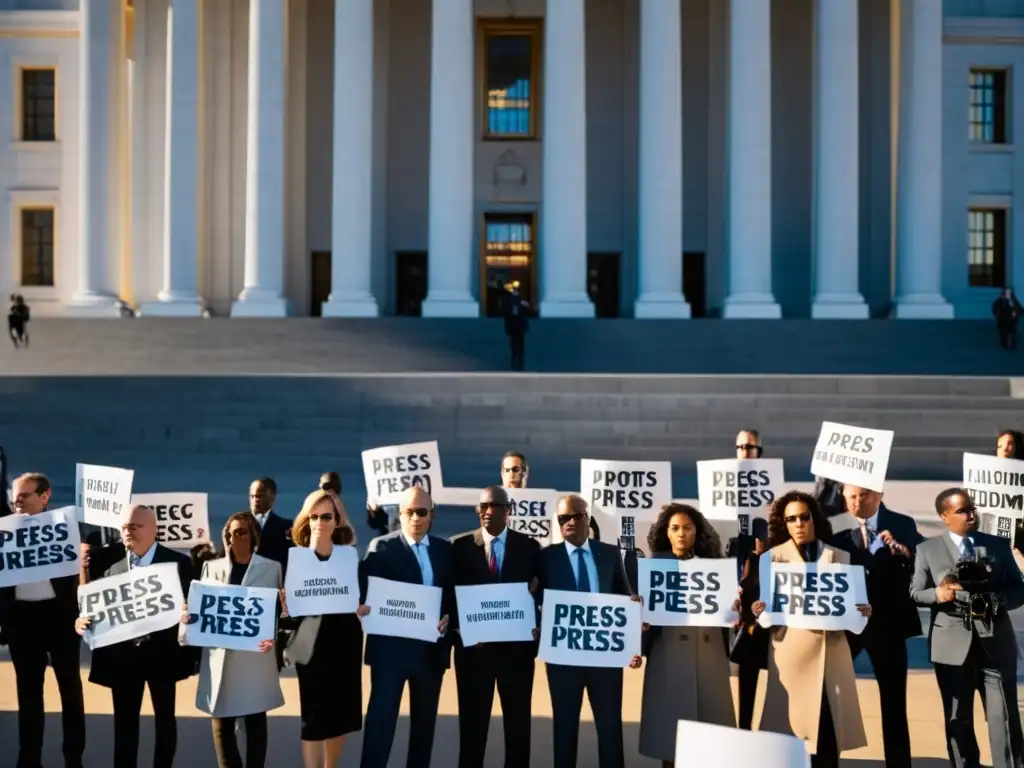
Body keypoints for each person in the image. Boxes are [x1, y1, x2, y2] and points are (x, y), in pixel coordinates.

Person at [748, 491, 870, 768]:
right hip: (792, 654)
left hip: (833, 654)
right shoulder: (772, 558)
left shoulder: (839, 556)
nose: (799, 523)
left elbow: (852, 604)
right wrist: (760, 609)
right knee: (791, 730)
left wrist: (864, 610)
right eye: (791, 519)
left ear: (814, 518)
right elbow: (768, 610)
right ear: (784, 524)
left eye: (804, 516)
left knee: (829, 727)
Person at [75, 505, 197, 768]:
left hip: (162, 656)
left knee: (165, 721)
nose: (128, 532)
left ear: (154, 530)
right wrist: (81, 621)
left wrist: (188, 612)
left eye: (135, 526)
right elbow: (95, 611)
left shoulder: (178, 563)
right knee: (124, 725)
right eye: (124, 527)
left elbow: (194, 611)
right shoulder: (111, 566)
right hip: (124, 658)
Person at [910, 487, 1024, 768]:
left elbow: (1019, 588)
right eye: (962, 510)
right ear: (944, 516)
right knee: (957, 717)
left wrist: (999, 600)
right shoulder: (928, 549)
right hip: (950, 647)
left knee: (1004, 717)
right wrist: (938, 595)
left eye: (972, 508)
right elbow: (915, 592)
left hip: (995, 643)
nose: (970, 515)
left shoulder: (997, 544)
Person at [534, 494, 641, 768]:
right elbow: (532, 601)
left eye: (575, 516)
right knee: (565, 730)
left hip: (603, 660)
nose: (569, 522)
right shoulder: (545, 558)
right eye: (562, 519)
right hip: (563, 662)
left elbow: (623, 600)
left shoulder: (609, 554)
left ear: (587, 518)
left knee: (609, 731)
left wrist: (631, 644)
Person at [358, 486, 454, 768]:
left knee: (424, 733)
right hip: (391, 656)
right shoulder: (381, 548)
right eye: (409, 512)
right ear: (399, 515)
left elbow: (450, 594)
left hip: (430, 655)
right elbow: (367, 594)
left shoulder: (444, 550)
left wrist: (448, 617)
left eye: (422, 512)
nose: (416, 518)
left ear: (432, 514)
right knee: (379, 727)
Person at [449, 486, 541, 768]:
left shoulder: (529, 547)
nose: (487, 511)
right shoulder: (460, 546)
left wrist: (535, 620)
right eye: (482, 506)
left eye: (494, 506)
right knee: (472, 733)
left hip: (517, 656)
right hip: (474, 656)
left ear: (507, 511)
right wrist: (459, 628)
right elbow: (448, 596)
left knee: (517, 732)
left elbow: (541, 594)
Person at [830, 484, 921, 767]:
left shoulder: (902, 524)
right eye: (851, 497)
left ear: (879, 494)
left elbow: (921, 565)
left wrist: (903, 552)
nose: (858, 501)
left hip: (889, 625)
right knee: (831, 695)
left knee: (894, 702)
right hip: (849, 626)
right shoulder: (836, 532)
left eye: (864, 495)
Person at [184, 511, 284, 768]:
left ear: (254, 537)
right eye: (229, 533)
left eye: (240, 532)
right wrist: (188, 618)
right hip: (221, 659)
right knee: (221, 727)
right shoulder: (211, 568)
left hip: (253, 660)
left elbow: (278, 618)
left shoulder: (271, 569)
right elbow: (202, 611)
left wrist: (280, 623)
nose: (232, 538)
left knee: (254, 725)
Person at [639, 504, 736, 766]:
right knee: (671, 739)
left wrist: (734, 607)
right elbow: (641, 622)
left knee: (710, 741)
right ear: (666, 533)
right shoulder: (651, 569)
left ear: (696, 532)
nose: (681, 533)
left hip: (709, 658)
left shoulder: (714, 568)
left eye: (687, 527)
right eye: (675, 528)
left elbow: (730, 621)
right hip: (667, 658)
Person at [0, 472, 86, 768]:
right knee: (28, 694)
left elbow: (82, 573)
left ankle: (73, 758)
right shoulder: (3, 532)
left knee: (70, 691)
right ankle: (29, 760)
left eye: (24, 495)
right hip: (21, 619)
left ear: (44, 496)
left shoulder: (63, 527)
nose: (17, 501)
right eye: (14, 496)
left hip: (59, 616)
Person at [280, 489, 363, 768]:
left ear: (337, 520)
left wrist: (362, 606)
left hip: (344, 639)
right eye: (313, 516)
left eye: (326, 516)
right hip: (312, 641)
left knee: (341, 716)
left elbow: (361, 598)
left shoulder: (350, 558)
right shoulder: (295, 560)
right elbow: (287, 613)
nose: (319, 522)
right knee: (312, 717)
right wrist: (285, 608)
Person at [724, 428, 771, 730]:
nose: (744, 451)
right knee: (744, 670)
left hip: (759, 594)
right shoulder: (723, 490)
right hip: (733, 590)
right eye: (740, 446)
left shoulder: (769, 495)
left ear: (759, 452)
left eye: (750, 447)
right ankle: (742, 729)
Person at [503, 284, 529, 371]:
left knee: (520, 347)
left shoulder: (522, 300)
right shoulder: (509, 301)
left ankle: (520, 364)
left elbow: (527, 312)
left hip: (519, 327)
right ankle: (514, 364)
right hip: (513, 326)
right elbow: (506, 313)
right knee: (514, 346)